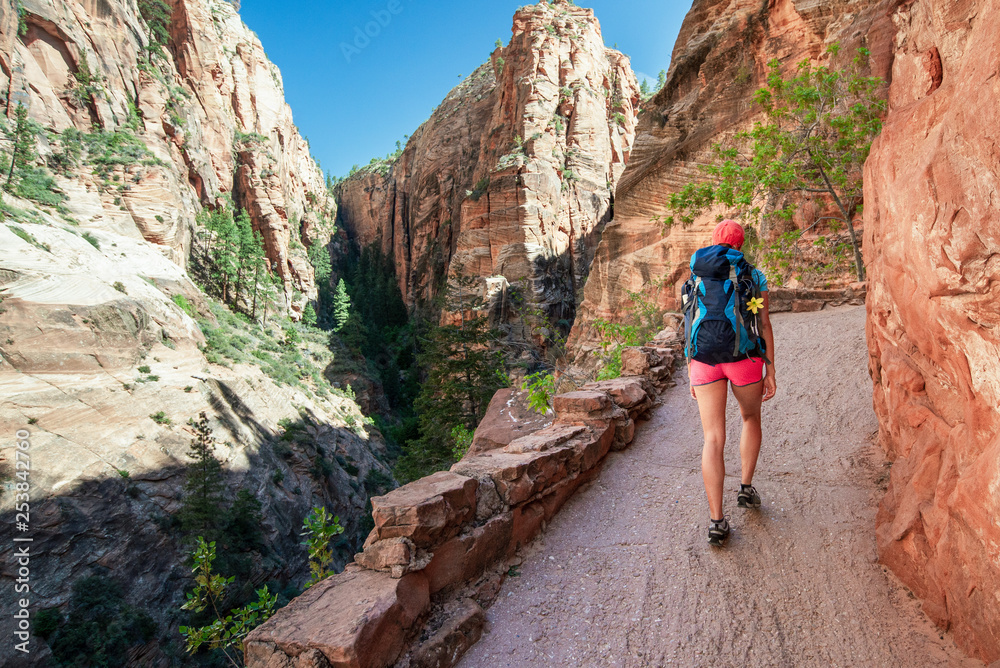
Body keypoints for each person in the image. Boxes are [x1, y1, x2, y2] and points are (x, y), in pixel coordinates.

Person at [683, 220, 776, 546]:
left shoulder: (696, 272)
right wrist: (770, 368)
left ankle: (716, 521)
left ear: (714, 241)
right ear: (740, 243)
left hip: (703, 361)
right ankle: (746, 489)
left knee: (712, 438)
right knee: (750, 418)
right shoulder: (753, 274)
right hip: (744, 358)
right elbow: (763, 322)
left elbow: (690, 316)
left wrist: (691, 367)